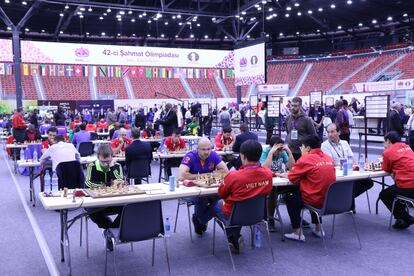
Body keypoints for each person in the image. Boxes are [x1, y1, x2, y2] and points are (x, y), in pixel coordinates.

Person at [196, 140, 273, 253]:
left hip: (234, 215)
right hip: (258, 215)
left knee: (214, 204)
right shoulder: (268, 174)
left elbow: (221, 194)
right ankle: (233, 237)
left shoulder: (234, 176)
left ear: (243, 156)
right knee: (237, 207)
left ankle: (200, 220)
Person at [284, 134, 336, 241]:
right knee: (317, 191)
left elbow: (292, 178)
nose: (301, 149)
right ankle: (318, 228)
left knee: (290, 198)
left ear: (307, 148)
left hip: (314, 199)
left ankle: (297, 232)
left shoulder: (306, 159)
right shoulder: (328, 158)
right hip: (328, 199)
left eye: (302, 147)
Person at [178, 137, 229, 235]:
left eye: (209, 149)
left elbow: (225, 171)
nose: (207, 152)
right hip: (191, 191)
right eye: (203, 149)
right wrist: (204, 176)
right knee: (203, 199)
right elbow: (181, 176)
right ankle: (202, 219)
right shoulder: (190, 156)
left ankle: (199, 219)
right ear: (197, 149)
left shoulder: (213, 155)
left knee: (221, 197)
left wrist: (196, 176)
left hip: (208, 189)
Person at [321, 123, 373, 210]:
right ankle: (348, 203)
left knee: (368, 182)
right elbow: (331, 163)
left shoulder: (345, 143)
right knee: (353, 184)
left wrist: (358, 167)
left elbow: (352, 159)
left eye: (332, 132)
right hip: (338, 175)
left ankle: (348, 199)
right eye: (328, 132)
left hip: (349, 172)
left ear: (339, 132)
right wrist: (347, 165)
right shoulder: (324, 145)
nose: (330, 134)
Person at [85, 144, 124, 251]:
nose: (106, 164)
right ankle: (109, 229)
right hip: (97, 203)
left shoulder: (116, 166)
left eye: (108, 161)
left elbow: (120, 181)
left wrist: (111, 168)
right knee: (91, 212)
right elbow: (88, 183)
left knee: (129, 208)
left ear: (112, 157)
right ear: (98, 157)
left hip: (114, 201)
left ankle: (109, 232)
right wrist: (107, 184)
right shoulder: (92, 166)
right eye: (103, 162)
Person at [379, 131, 414, 229]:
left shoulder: (388, 152)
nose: (383, 144)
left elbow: (386, 169)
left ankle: (406, 218)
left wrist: (385, 153)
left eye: (384, 142)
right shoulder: (407, 147)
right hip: (410, 184)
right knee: (394, 190)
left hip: (408, 187)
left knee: (384, 195)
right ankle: (402, 221)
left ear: (388, 141)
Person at [260, 136, 295, 231]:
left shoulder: (282, 152)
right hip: (266, 183)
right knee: (272, 190)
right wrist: (271, 153)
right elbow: (264, 170)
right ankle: (270, 218)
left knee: (296, 188)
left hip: (280, 181)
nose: (279, 152)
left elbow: (292, 167)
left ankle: (296, 218)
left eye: (281, 149)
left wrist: (289, 152)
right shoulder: (265, 152)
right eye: (277, 150)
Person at [285, 97, 316, 161]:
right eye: (292, 105)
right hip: (290, 150)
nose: (293, 107)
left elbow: (313, 135)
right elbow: (288, 132)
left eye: (295, 106)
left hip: (302, 151)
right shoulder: (287, 118)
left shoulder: (307, 119)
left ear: (300, 106)